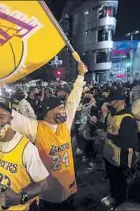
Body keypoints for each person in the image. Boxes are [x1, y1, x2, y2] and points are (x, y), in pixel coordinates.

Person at [10, 62, 87, 210]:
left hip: (68, 186)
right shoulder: (35, 127)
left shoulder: (64, 125)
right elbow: (14, 118)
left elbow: (73, 101)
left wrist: (81, 76)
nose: (64, 111)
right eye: (60, 108)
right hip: (48, 190)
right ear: (49, 112)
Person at [101, 91, 138, 209]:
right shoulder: (113, 114)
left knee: (120, 184)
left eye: (111, 102)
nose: (109, 105)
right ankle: (112, 196)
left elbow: (127, 142)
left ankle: (119, 204)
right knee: (113, 180)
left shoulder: (127, 119)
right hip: (110, 155)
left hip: (120, 158)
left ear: (120, 102)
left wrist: (107, 135)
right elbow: (108, 128)